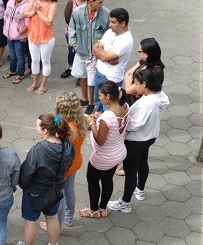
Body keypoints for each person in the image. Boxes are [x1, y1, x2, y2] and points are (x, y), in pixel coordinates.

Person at [108, 69, 170, 213]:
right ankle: (140, 189)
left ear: (145, 84)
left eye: (137, 84)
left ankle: (125, 202)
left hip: (136, 141)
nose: (134, 87)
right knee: (143, 163)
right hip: (149, 137)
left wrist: (121, 120)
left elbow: (134, 124)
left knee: (130, 172)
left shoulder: (147, 104)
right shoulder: (158, 96)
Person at [18, 113, 75, 245]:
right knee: (52, 218)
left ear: (45, 130)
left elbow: (27, 173)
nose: (35, 128)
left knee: (31, 221)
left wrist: (23, 185)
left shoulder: (39, 150)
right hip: (55, 190)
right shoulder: (67, 145)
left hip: (35, 192)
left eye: (37, 126)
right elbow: (69, 163)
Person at [77, 81, 128, 219]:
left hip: (104, 157)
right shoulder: (125, 106)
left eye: (100, 95)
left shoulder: (107, 117)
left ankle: (94, 210)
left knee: (93, 180)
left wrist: (92, 123)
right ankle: (103, 208)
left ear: (108, 96)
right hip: (118, 153)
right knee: (107, 179)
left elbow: (100, 140)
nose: (98, 98)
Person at [115, 40, 164, 177]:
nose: (137, 53)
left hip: (141, 110)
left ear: (147, 53)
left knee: (138, 149)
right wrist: (130, 80)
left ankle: (129, 168)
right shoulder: (144, 62)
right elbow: (128, 74)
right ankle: (131, 167)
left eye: (140, 51)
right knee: (141, 154)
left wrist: (130, 82)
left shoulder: (155, 71)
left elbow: (129, 88)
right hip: (134, 103)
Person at [40, 91, 86, 232]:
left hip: (65, 166)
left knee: (58, 196)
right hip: (76, 160)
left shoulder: (67, 128)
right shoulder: (79, 120)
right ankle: (69, 218)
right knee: (69, 190)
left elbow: (58, 148)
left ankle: (56, 226)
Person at [69, 0, 110, 115]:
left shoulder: (105, 14)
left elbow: (109, 33)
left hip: (95, 56)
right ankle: (84, 98)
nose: (101, 5)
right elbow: (71, 29)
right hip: (81, 52)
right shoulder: (77, 12)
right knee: (82, 76)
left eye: (102, 2)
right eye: (99, 2)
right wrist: (74, 45)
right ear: (91, 1)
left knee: (92, 81)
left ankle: (92, 103)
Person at [93, 8, 133, 113]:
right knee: (98, 101)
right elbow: (95, 47)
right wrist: (101, 52)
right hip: (99, 73)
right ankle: (97, 120)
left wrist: (102, 54)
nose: (110, 25)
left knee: (109, 108)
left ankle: (106, 126)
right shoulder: (110, 32)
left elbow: (103, 57)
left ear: (123, 23)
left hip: (111, 79)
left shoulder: (125, 40)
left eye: (113, 22)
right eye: (110, 21)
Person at [23, 0, 58, 94]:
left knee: (45, 61)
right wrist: (34, 10)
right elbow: (25, 13)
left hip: (47, 38)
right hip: (33, 35)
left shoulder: (53, 4)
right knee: (34, 60)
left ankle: (43, 84)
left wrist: (38, 11)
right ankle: (34, 82)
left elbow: (48, 21)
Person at [61, 0, 92, 80]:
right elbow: (67, 18)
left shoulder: (90, 2)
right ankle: (71, 68)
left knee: (83, 53)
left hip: (86, 33)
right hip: (72, 32)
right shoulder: (72, 2)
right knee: (72, 51)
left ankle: (81, 74)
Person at [2, 0, 29, 85]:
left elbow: (28, 24)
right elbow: (6, 15)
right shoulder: (10, 1)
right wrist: (5, 27)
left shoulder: (27, 5)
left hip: (19, 37)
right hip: (9, 34)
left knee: (20, 56)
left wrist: (18, 33)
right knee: (12, 54)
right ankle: (12, 70)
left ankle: (20, 74)